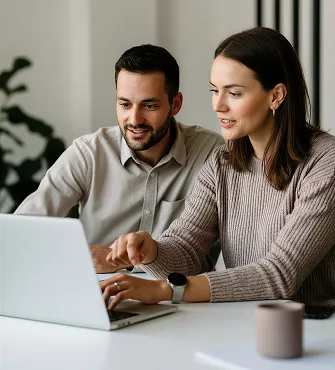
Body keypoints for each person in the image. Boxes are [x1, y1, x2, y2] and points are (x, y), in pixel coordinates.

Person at [100, 27, 335, 310]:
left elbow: (280, 275)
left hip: (314, 331)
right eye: (215, 91)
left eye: (234, 93)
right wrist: (151, 251)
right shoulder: (222, 162)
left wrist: (164, 289)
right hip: (241, 323)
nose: (218, 105)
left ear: (276, 96)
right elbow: (185, 251)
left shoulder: (326, 163)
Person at [15, 44, 224, 273]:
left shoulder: (211, 153)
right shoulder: (89, 154)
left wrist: (120, 260)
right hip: (100, 295)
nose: (134, 119)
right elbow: (22, 232)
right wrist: (77, 256)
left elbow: (197, 252)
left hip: (182, 297)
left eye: (149, 105)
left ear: (175, 104)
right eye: (125, 104)